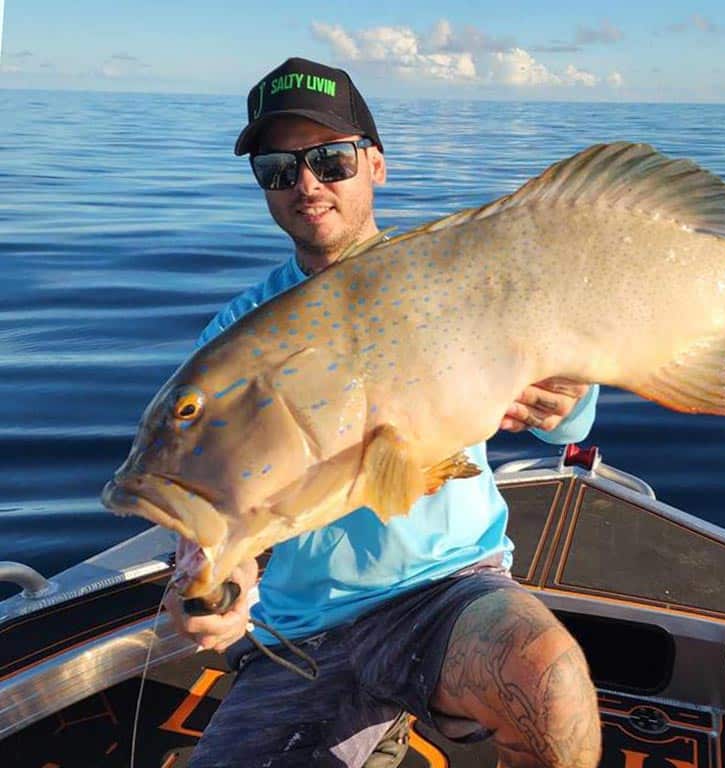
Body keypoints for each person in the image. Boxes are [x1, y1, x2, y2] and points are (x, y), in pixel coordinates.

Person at [167, 57, 602, 768]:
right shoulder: (235, 338)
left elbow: (570, 426)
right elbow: (209, 514)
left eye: (330, 159)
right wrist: (212, 579)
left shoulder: (459, 280)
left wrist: (568, 393)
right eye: (278, 168)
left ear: (376, 165)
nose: (307, 183)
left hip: (450, 588)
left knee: (550, 683)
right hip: (301, 632)